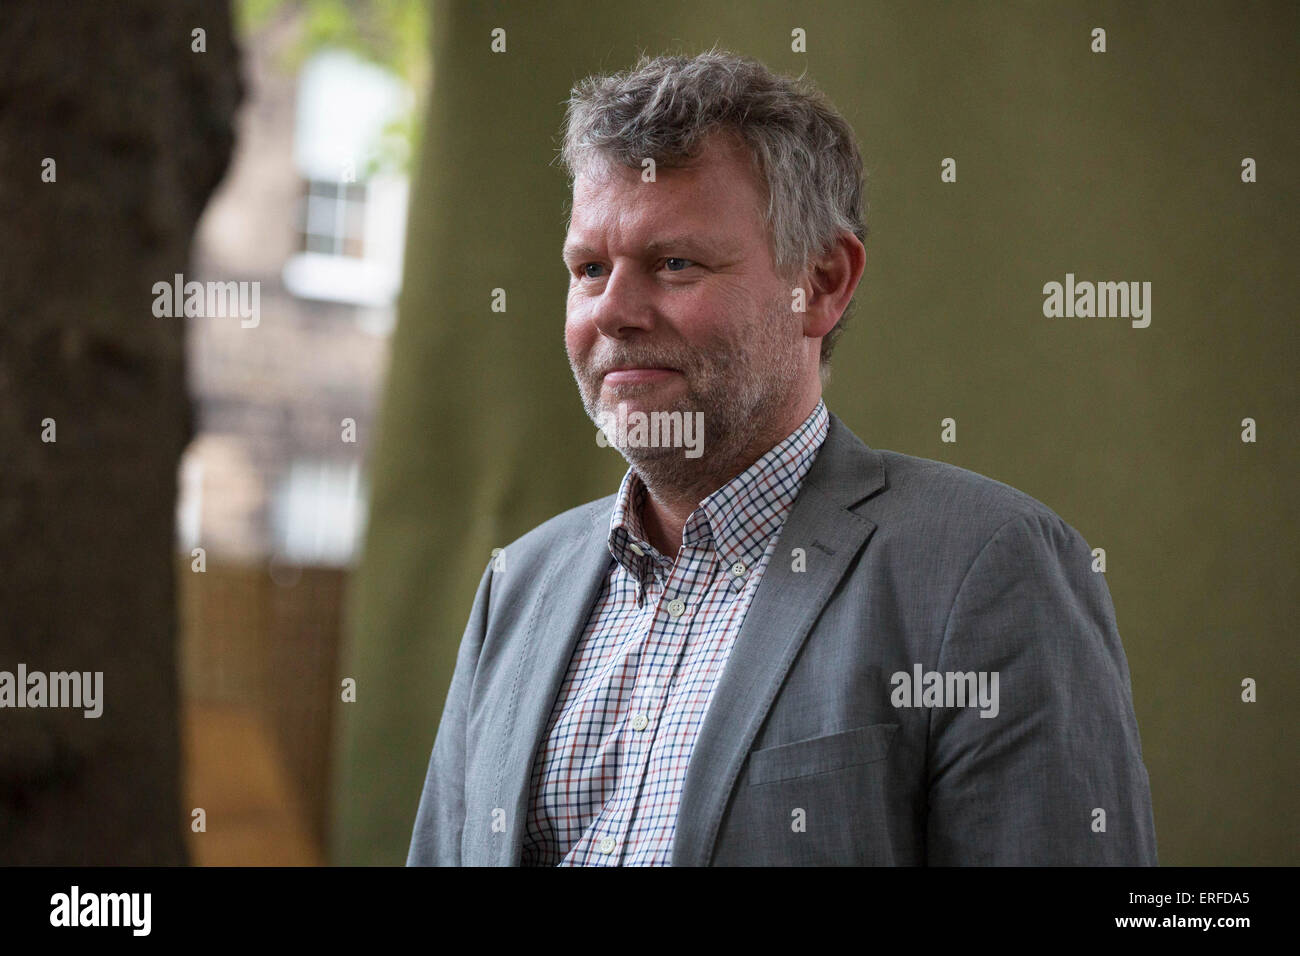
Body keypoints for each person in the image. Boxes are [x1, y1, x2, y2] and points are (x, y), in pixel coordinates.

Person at [407, 49, 1157, 866]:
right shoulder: (517, 588)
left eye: (675, 264)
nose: (614, 311)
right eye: (589, 269)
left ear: (824, 282)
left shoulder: (987, 567)